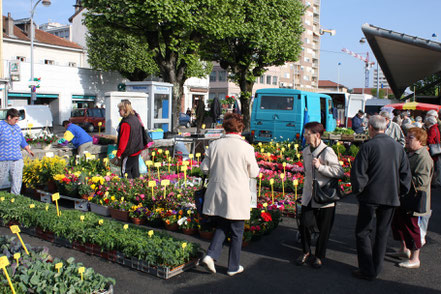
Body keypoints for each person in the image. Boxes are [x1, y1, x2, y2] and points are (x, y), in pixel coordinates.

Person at [351, 115, 412, 281]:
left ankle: (366, 268)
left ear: (370, 128)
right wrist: (401, 192)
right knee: (382, 233)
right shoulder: (397, 147)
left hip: (370, 197)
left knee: (363, 232)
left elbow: (358, 173)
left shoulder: (368, 146)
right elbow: (405, 174)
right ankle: (376, 268)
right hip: (391, 197)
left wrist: (359, 191)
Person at [200, 113, 259, 276]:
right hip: (237, 192)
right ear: (240, 128)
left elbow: (204, 169)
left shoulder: (214, 145)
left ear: (224, 127)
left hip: (217, 191)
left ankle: (211, 255)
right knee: (237, 230)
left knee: (222, 224)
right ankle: (233, 266)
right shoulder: (247, 147)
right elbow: (254, 172)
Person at [296, 122, 344, 268]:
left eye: (307, 133)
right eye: (305, 133)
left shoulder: (327, 151)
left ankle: (319, 256)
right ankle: (306, 251)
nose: (305, 135)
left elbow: (339, 172)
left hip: (325, 195)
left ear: (316, 135)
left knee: (324, 228)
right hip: (309, 195)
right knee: (304, 223)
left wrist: (320, 167)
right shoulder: (306, 151)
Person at [391, 128, 433, 269]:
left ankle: (415, 258)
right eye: (407, 137)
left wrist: (401, 177)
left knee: (413, 228)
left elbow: (422, 182)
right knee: (400, 224)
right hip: (404, 197)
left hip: (414, 200)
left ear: (420, 141)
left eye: (410, 138)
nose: (407, 140)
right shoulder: (410, 153)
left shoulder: (423, 157)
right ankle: (404, 250)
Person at [0, 108, 34, 194]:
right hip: (3, 158)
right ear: (9, 117)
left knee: (17, 179)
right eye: (15, 119)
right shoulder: (1, 125)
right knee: (0, 178)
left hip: (17, 158)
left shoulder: (17, 128)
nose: (17, 121)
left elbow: (22, 140)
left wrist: (28, 149)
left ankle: (15, 197)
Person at [114, 100, 146, 179]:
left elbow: (123, 141)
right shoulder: (135, 118)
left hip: (129, 152)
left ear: (125, 110)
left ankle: (128, 188)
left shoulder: (126, 123)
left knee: (125, 172)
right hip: (136, 149)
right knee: (135, 171)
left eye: (120, 109)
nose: (118, 111)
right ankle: (137, 187)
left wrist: (119, 153)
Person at [425, 116, 441, 187]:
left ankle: (435, 181)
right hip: (436, 148)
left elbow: (430, 140)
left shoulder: (432, 129)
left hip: (433, 149)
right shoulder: (436, 127)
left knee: (434, 166)